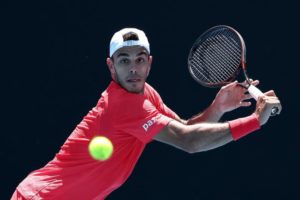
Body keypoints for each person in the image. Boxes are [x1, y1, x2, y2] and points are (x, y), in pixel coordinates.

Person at [11, 27, 282, 200]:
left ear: (149, 63)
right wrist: (255, 120)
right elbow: (189, 141)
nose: (133, 69)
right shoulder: (122, 105)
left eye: (140, 59)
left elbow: (185, 127)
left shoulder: (146, 94)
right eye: (124, 60)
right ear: (111, 67)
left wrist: (218, 107)